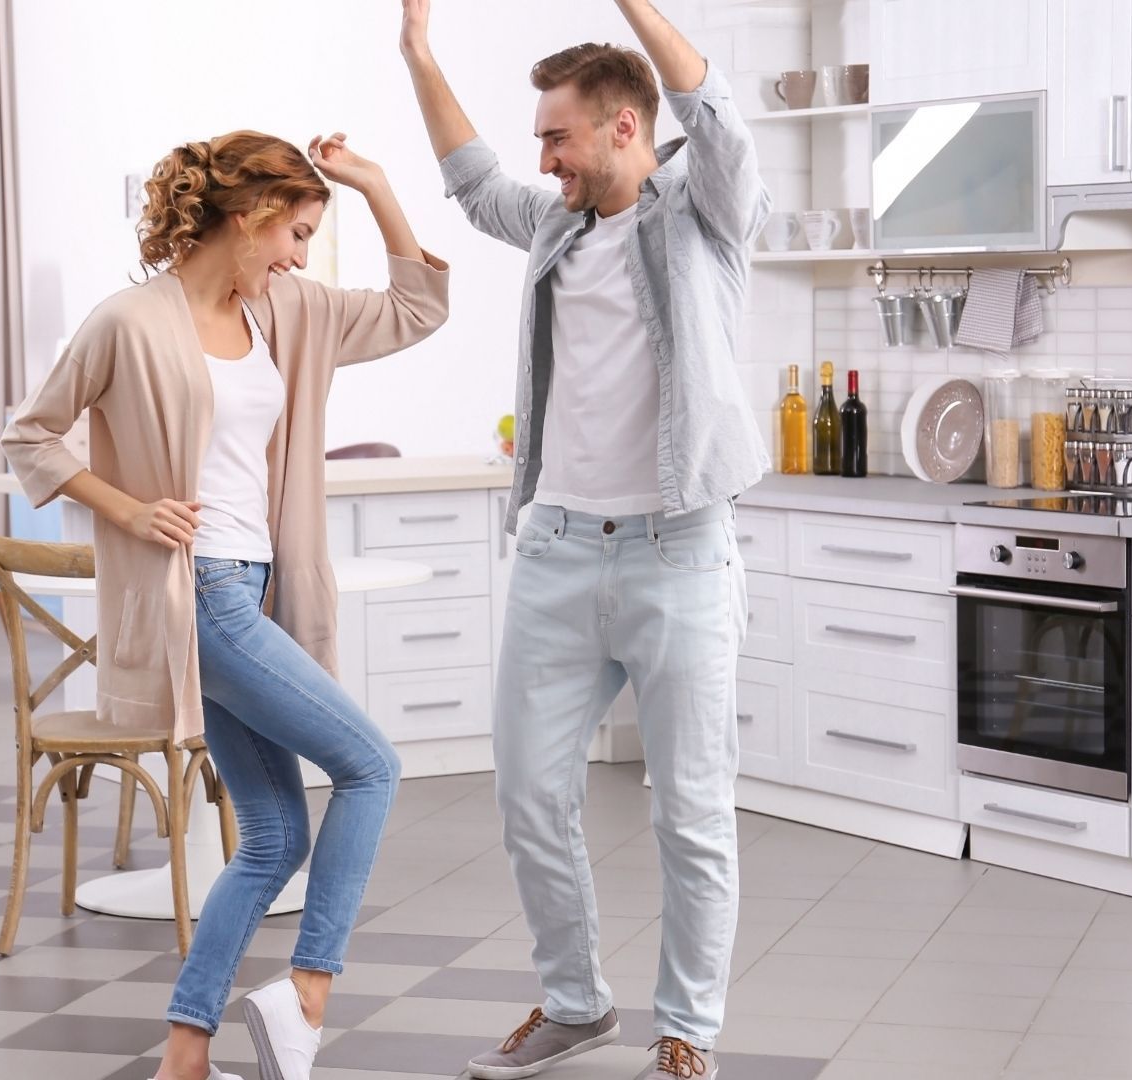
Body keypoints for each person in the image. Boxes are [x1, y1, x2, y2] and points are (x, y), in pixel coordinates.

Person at [1, 130, 449, 1080]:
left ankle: (186, 1050)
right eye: (295, 230)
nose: (298, 254)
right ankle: (310, 995)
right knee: (371, 766)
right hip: (198, 592)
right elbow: (32, 433)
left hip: (256, 585)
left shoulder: (285, 310)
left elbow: (417, 306)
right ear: (245, 219)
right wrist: (126, 507)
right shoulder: (128, 321)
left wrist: (368, 184)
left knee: (277, 834)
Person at [399, 0, 769, 1076]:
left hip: (682, 553)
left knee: (691, 815)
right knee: (527, 793)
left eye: (557, 135)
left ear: (622, 127)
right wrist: (419, 53)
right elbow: (473, 185)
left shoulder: (705, 211)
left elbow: (718, 113)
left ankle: (687, 1031)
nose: (543, 158)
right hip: (558, 550)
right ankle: (574, 1001)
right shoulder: (557, 225)